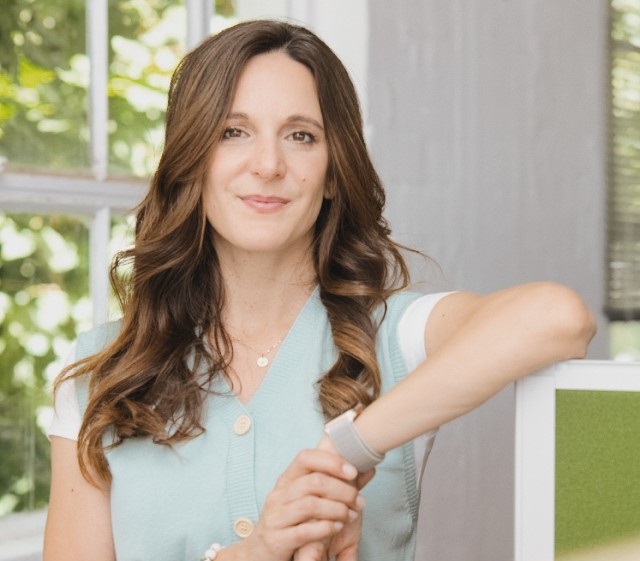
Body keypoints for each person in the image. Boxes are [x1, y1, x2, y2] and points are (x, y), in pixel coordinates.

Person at [43, 19, 596, 561]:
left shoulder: (395, 340)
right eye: (233, 132)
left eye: (301, 136)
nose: (268, 164)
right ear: (192, 162)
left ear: (333, 172)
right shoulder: (101, 374)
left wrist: (349, 448)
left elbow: (557, 318)